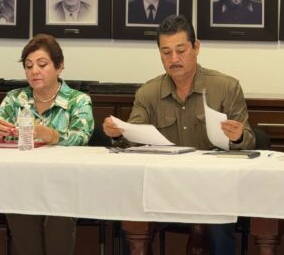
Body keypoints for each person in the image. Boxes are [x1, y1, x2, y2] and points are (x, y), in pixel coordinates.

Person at [102, 15, 255, 255]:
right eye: (166, 52)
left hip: (213, 188)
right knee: (132, 219)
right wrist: (118, 133)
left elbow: (249, 141)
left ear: (196, 47)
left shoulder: (226, 87)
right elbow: (133, 134)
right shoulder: (148, 93)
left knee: (220, 226)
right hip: (163, 187)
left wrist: (237, 137)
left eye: (181, 50)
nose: (174, 59)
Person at [0, 33, 94, 255]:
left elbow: (82, 136)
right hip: (21, 183)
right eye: (28, 66)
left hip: (64, 184)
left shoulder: (78, 100)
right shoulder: (14, 99)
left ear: (59, 66)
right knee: (18, 214)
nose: (34, 71)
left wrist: (51, 135)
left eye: (42, 64)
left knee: (58, 222)